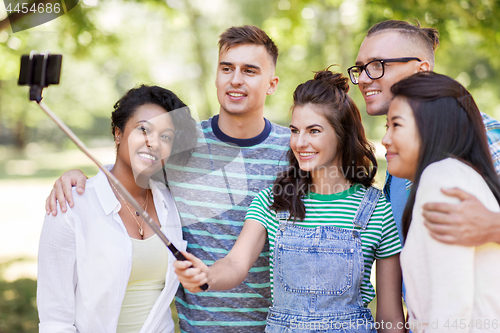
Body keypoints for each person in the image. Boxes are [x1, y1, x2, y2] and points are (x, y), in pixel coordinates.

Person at [43, 25, 290, 332]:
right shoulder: (183, 141)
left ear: (272, 83)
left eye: (250, 70)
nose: (235, 79)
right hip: (198, 328)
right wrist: (76, 176)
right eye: (227, 68)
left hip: (276, 326)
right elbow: (134, 163)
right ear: (216, 75)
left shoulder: (294, 150)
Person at [174, 70, 404, 333]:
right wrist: (207, 276)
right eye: (295, 130)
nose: (300, 142)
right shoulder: (272, 202)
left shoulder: (376, 209)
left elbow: (390, 315)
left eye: (314, 131)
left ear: (342, 135)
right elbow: (235, 265)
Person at [37, 85, 197, 332]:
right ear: (118, 133)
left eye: (166, 136)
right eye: (143, 129)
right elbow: (55, 320)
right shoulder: (71, 205)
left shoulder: (173, 202)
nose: (153, 142)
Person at [348, 20, 500, 245]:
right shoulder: (400, 156)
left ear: (421, 71)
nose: (362, 79)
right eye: (360, 68)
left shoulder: (482, 136)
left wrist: (493, 226)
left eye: (377, 65)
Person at [382, 71, 500, 332]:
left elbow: (448, 311)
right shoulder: (460, 175)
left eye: (397, 125)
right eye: (386, 126)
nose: (385, 139)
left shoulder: (441, 178)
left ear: (433, 126)